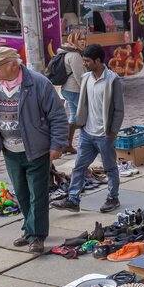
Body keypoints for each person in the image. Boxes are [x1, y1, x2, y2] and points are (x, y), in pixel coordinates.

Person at [0, 47, 68, 254]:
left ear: (12, 64)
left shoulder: (38, 83)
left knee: (37, 194)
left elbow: (57, 115)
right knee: (21, 193)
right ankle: (29, 229)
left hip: (36, 149)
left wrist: (57, 144)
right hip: (9, 149)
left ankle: (36, 235)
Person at [52, 44, 124, 214]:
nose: (84, 64)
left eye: (87, 61)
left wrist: (112, 133)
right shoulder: (86, 78)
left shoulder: (113, 80)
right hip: (86, 133)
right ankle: (73, 199)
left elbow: (119, 110)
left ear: (98, 61)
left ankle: (113, 197)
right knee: (79, 167)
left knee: (110, 168)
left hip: (104, 135)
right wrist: (79, 123)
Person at [57, 30, 87, 154]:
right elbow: (80, 76)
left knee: (74, 117)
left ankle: (66, 145)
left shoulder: (67, 52)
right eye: (80, 39)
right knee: (87, 116)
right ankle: (86, 145)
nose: (83, 41)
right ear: (74, 40)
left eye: (84, 39)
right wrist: (87, 91)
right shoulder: (74, 55)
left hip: (67, 89)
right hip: (74, 90)